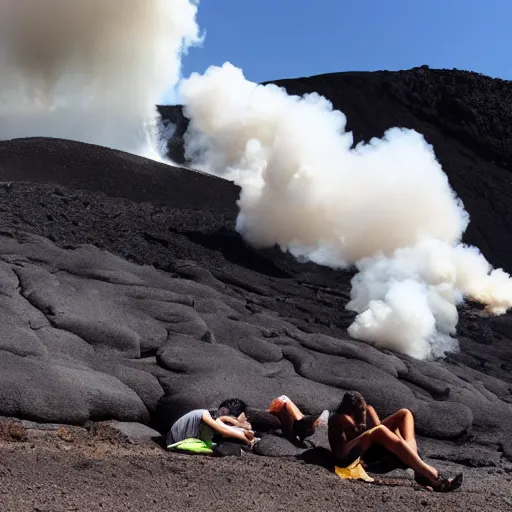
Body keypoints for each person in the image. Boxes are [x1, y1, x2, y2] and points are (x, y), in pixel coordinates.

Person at [328, 391, 463, 492]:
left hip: (372, 447)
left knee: (404, 414)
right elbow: (342, 454)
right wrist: (364, 435)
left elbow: (376, 425)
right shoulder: (339, 420)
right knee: (380, 431)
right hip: (354, 458)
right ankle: (433, 477)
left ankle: (418, 468)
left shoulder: (364, 412)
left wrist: (375, 424)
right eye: (360, 412)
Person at [166, 398, 255, 450]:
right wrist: (244, 438)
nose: (221, 415)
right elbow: (224, 431)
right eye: (223, 412)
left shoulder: (214, 419)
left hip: (180, 441)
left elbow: (226, 428)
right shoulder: (204, 414)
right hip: (176, 442)